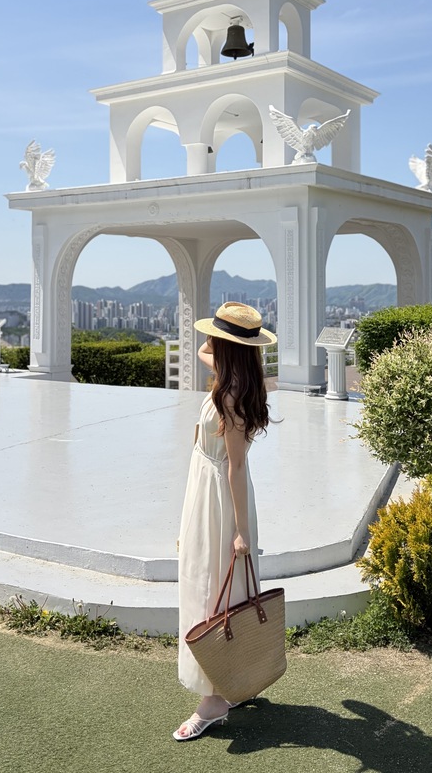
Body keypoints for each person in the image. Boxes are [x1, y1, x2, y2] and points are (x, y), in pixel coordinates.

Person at [173, 302, 277, 742]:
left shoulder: (231, 397)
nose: (209, 343)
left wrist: (241, 531)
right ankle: (229, 681)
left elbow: (235, 467)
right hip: (205, 489)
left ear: (229, 348)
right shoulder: (232, 378)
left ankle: (214, 699)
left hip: (220, 498)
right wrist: (224, 337)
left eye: (218, 337)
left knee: (212, 588)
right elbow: (204, 351)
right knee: (210, 583)